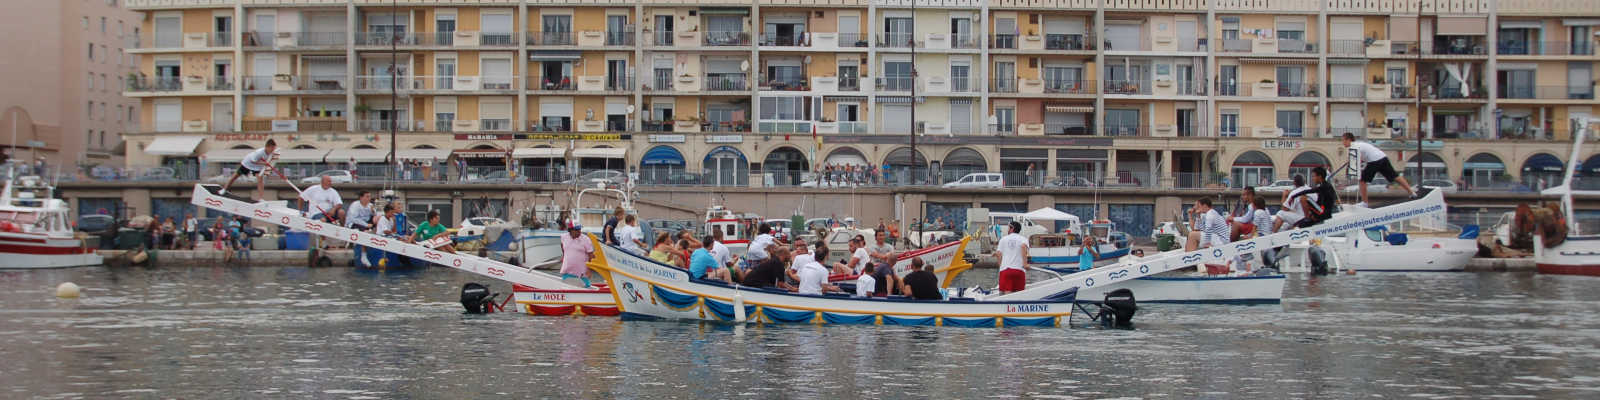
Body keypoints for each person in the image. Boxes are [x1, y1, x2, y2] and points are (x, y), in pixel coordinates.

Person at [1343, 132, 1416, 206]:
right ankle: (1412, 193)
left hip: (1374, 161)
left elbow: (1356, 163)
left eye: (1343, 140)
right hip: (1382, 157)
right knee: (1395, 176)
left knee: (1362, 181)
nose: (1343, 143)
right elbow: (1361, 158)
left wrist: (1350, 167)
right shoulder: (1359, 144)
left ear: (1348, 140)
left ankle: (1365, 203)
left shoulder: (1353, 146)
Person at [994, 221, 1029, 294]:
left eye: (1008, 228)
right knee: (1019, 294)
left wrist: (1001, 266)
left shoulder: (1003, 239)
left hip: (1005, 270)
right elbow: (1023, 247)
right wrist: (1025, 264)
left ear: (1012, 228)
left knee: (1007, 294)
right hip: (1019, 270)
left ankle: (1007, 305)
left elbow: (998, 254)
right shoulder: (1024, 239)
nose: (1007, 229)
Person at [559, 223, 596, 287]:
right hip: (567, 269)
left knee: (585, 287)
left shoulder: (586, 239)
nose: (579, 231)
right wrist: (564, 256)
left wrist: (589, 269)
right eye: (577, 230)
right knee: (566, 287)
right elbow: (562, 245)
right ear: (570, 230)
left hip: (582, 271)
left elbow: (591, 255)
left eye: (580, 229)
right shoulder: (564, 237)